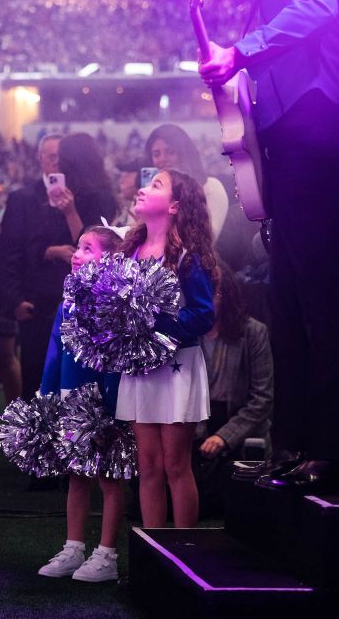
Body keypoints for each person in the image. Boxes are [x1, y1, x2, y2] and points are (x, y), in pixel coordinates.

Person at [199, 0, 339, 494]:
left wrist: (241, 51)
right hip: (329, 125)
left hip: (303, 126)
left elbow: (315, 6)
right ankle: (303, 444)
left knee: (311, 300)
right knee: (298, 295)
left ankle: (330, 449)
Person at [115, 169, 217, 529]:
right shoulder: (130, 251)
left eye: (155, 185)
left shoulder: (187, 256)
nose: (143, 189)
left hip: (177, 367)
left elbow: (204, 315)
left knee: (176, 465)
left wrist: (156, 326)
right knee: (149, 466)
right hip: (140, 368)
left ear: (175, 206)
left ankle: (186, 550)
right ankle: (154, 550)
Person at [36, 226, 127, 583]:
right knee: (76, 475)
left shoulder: (114, 304)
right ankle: (74, 548)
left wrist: (112, 410)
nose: (76, 254)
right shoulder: (67, 302)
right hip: (71, 400)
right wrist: (47, 395)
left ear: (109, 260)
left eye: (87, 249)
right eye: (78, 246)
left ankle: (107, 555)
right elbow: (55, 353)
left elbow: (116, 361)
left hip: (103, 405)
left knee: (109, 477)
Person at [0, 134, 118, 401]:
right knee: (39, 379)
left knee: (79, 383)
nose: (56, 162)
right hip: (40, 301)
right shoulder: (30, 197)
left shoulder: (96, 198)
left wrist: (70, 213)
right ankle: (36, 439)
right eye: (51, 156)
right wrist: (16, 297)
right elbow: (14, 251)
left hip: (84, 300)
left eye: (60, 157)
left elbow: (92, 245)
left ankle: (74, 440)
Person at [196, 262, 274, 463]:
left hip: (240, 430)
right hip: (196, 429)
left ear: (223, 295)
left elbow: (262, 400)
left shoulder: (253, 332)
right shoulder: (188, 336)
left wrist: (225, 437)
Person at [144, 124, 228, 240]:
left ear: (184, 153)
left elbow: (207, 239)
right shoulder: (150, 192)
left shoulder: (211, 187)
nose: (163, 159)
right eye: (156, 154)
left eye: (171, 152)